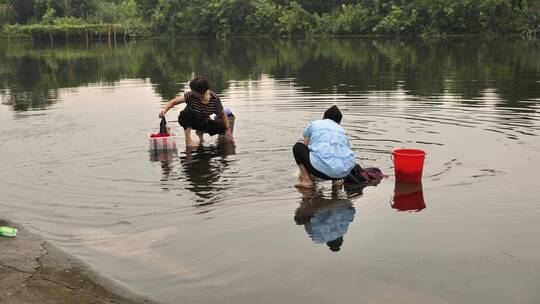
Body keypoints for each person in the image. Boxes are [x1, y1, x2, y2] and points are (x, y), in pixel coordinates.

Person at [159, 77, 233, 149]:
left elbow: (222, 114)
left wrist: (228, 130)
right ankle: (188, 140)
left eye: (194, 91)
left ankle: (200, 132)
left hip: (203, 122)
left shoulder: (214, 99)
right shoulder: (190, 95)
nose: (192, 92)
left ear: (202, 93)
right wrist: (164, 110)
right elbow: (173, 102)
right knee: (187, 112)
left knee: (222, 127)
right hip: (189, 121)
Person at [293, 105, 356, 189]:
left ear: (324, 117)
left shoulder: (314, 124)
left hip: (320, 171)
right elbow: (344, 152)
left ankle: (307, 180)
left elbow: (305, 147)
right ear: (339, 122)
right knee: (337, 152)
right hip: (343, 172)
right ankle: (337, 181)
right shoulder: (341, 130)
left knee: (298, 147)